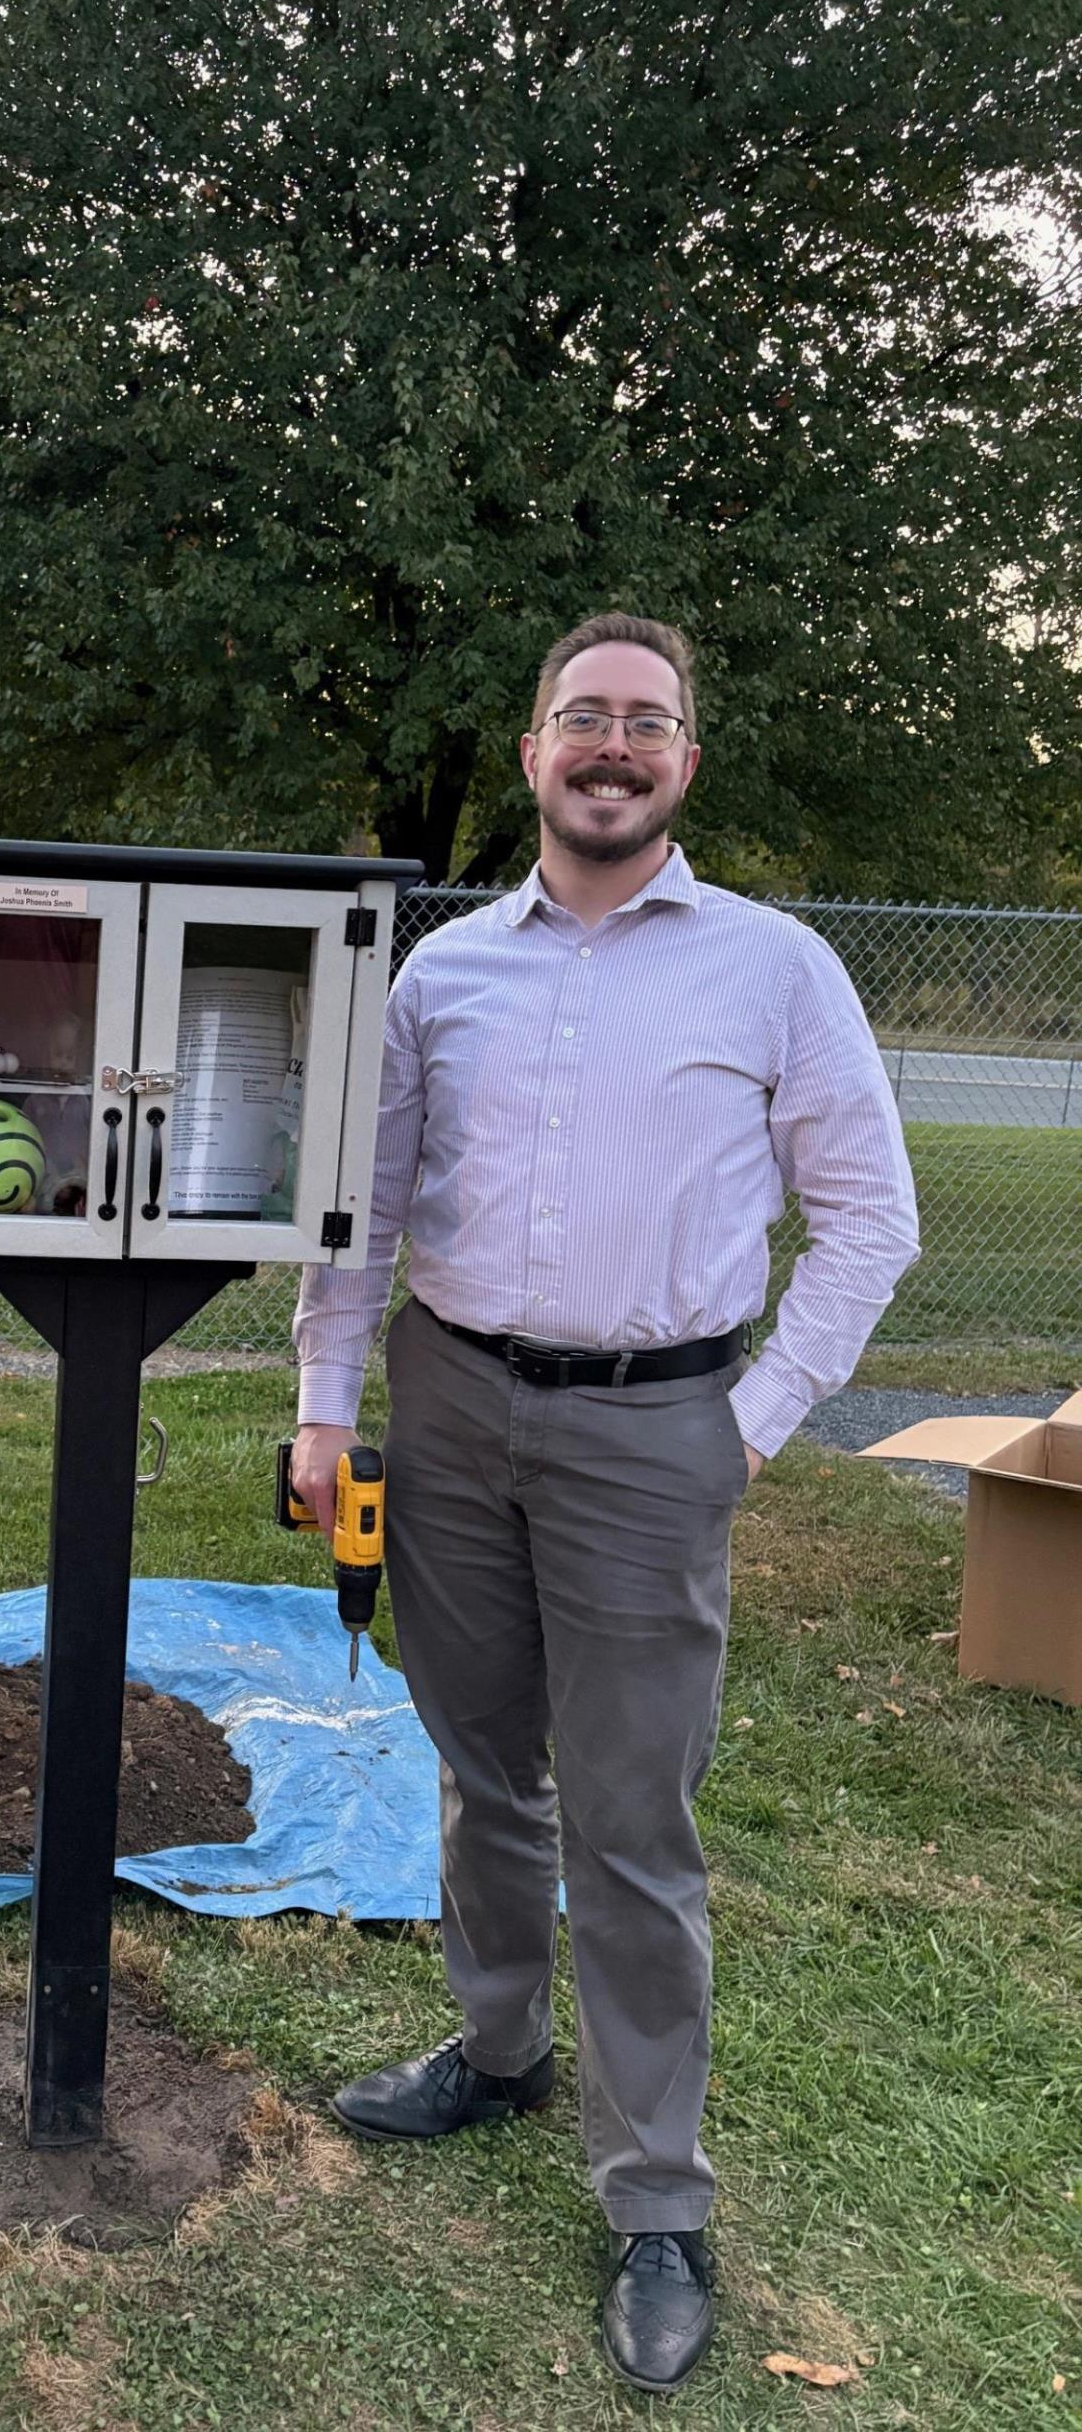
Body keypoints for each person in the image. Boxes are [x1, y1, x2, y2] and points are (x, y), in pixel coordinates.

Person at [291, 614, 918, 2393]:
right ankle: (498, 2055)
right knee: (485, 1766)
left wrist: (758, 1418)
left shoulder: (776, 968)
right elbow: (365, 1214)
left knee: (631, 1818)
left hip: (661, 1429)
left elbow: (872, 1217)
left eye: (648, 723)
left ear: (685, 764)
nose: (614, 747)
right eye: (585, 718)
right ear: (535, 753)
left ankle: (656, 2197)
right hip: (456, 1405)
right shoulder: (442, 976)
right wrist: (328, 1408)